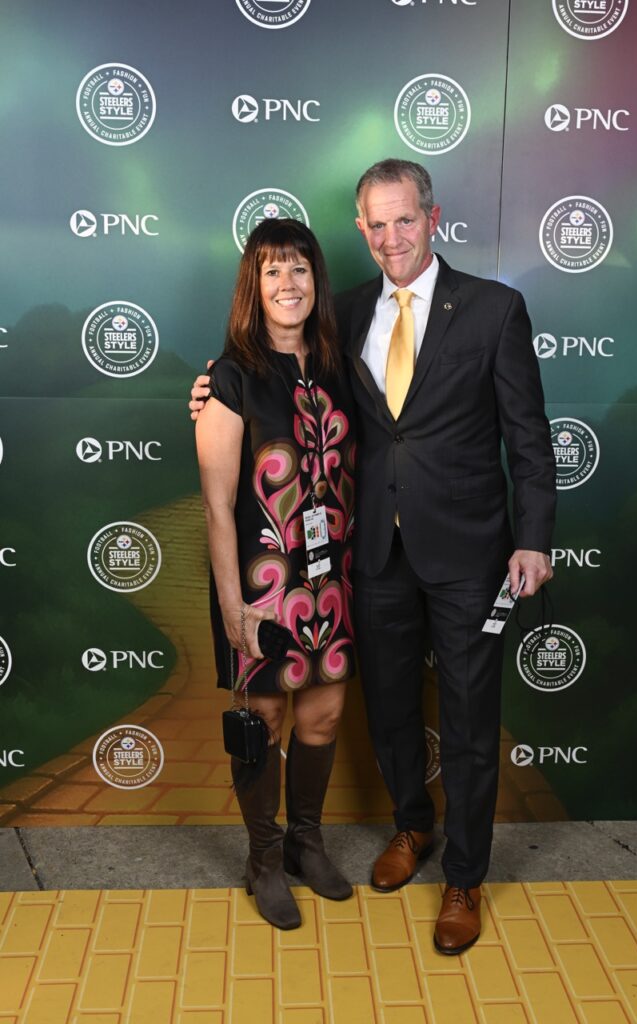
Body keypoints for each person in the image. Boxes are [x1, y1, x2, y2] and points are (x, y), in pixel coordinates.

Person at [191, 159, 556, 955]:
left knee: (466, 721)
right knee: (390, 710)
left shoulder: (495, 310)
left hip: (468, 554)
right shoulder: (342, 315)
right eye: (376, 223)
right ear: (360, 229)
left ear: (433, 217)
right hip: (372, 558)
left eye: (404, 219)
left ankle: (464, 876)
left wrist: (533, 538)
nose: (391, 236)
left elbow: (528, 438)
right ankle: (410, 829)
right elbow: (266, 384)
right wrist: (211, 393)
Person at [195, 217, 356, 931]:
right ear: (252, 288)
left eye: (299, 269)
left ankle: (306, 843)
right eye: (272, 271)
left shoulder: (339, 365)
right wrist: (235, 612)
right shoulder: (229, 377)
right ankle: (262, 860)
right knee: (262, 719)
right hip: (261, 588)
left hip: (333, 578)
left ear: (316, 280)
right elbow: (216, 508)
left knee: (323, 713)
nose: (288, 284)